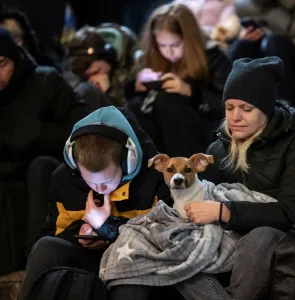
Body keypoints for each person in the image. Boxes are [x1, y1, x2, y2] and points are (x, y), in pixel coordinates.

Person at [178, 56, 295, 300]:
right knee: (174, 249)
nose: (235, 117)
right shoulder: (218, 148)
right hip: (224, 236)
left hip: (276, 233)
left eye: (246, 109)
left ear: (265, 109)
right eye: (229, 107)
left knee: (260, 235)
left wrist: (225, 212)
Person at [18, 106, 171, 300]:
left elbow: (164, 241)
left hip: (136, 265)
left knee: (129, 289)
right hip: (89, 258)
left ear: (127, 163)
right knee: (45, 247)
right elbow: (54, 231)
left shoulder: (157, 177)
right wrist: (80, 233)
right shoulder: (64, 180)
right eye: (91, 181)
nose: (99, 189)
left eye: (107, 182)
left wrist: (108, 229)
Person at [0, 27, 88, 272]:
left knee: (41, 169)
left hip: (45, 170)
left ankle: (37, 256)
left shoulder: (45, 81)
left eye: (1, 64)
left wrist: (35, 133)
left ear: (15, 58)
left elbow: (85, 130)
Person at [127, 3, 231, 157]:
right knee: (135, 106)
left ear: (189, 40)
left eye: (175, 45)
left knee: (169, 99)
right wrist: (137, 88)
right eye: (162, 45)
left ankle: (186, 169)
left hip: (202, 133)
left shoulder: (213, 57)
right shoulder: (149, 57)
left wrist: (191, 91)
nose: (168, 52)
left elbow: (227, 107)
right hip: (161, 134)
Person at [226, 0, 295, 109]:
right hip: (261, 46)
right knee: (242, 45)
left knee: (274, 42)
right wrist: (246, 35)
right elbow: (231, 31)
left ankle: (281, 106)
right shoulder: (243, 5)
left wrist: (270, 9)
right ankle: (238, 105)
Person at [66, 25, 135, 107]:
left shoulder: (131, 70)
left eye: (96, 72)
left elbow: (130, 113)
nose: (92, 80)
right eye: (86, 77)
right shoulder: (73, 76)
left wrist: (109, 92)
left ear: (108, 57)